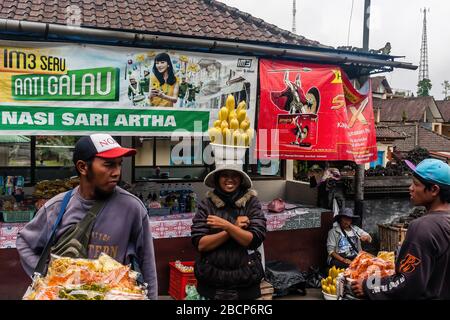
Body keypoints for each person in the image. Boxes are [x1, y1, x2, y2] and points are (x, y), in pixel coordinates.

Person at [16, 133, 158, 299]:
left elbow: (147, 264)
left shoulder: (132, 208)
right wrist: (49, 276)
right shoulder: (58, 207)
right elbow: (24, 242)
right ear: (83, 167)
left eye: (119, 164)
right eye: (109, 165)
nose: (117, 172)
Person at [351, 158, 450, 299]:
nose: (410, 188)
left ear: (434, 190)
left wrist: (368, 286)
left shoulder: (424, 227)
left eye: (416, 184)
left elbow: (407, 284)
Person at [191, 164, 267, 300]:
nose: (229, 179)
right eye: (225, 175)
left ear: (241, 179)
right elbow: (201, 244)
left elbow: (253, 240)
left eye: (234, 175)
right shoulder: (206, 205)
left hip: (245, 280)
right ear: (217, 179)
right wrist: (232, 228)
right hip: (211, 281)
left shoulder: (251, 203)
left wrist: (227, 226)